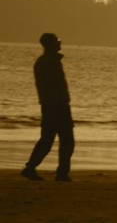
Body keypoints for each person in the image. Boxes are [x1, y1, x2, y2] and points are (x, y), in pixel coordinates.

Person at [21, 33, 74, 182]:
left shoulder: (47, 61)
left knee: (48, 140)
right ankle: (61, 173)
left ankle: (32, 168)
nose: (60, 43)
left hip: (51, 105)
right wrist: (58, 103)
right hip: (56, 105)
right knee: (66, 140)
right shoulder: (49, 62)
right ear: (50, 44)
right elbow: (53, 86)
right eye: (57, 40)